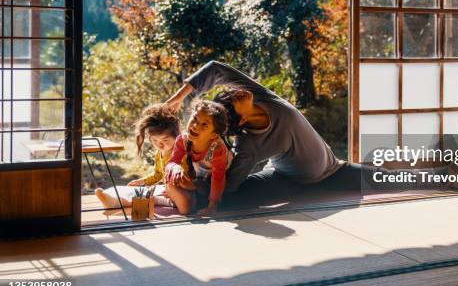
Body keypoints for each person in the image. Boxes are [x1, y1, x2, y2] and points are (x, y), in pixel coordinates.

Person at [165, 61, 386, 207]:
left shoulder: (259, 95)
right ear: (241, 120)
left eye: (232, 94)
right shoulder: (248, 143)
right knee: (231, 198)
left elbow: (215, 69)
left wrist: (175, 99)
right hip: (284, 180)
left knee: (394, 178)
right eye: (235, 99)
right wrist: (198, 185)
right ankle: (186, 194)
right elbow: (230, 184)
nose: (238, 92)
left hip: (334, 171)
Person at [94, 104, 180, 209]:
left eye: (165, 140)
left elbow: (185, 177)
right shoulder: (159, 153)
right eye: (155, 141)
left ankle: (118, 203)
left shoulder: (180, 152)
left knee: (149, 198)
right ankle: (114, 198)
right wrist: (141, 181)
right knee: (136, 191)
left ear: (177, 136)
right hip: (166, 190)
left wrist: (173, 190)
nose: (160, 144)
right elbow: (158, 175)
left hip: (179, 194)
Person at [164, 99, 233, 215]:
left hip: (218, 175)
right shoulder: (182, 140)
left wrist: (212, 206)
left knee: (201, 191)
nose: (195, 125)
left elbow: (218, 178)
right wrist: (174, 167)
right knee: (177, 180)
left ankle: (185, 195)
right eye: (195, 118)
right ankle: (173, 196)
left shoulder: (217, 149)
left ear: (213, 135)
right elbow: (170, 163)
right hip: (199, 173)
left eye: (204, 124)